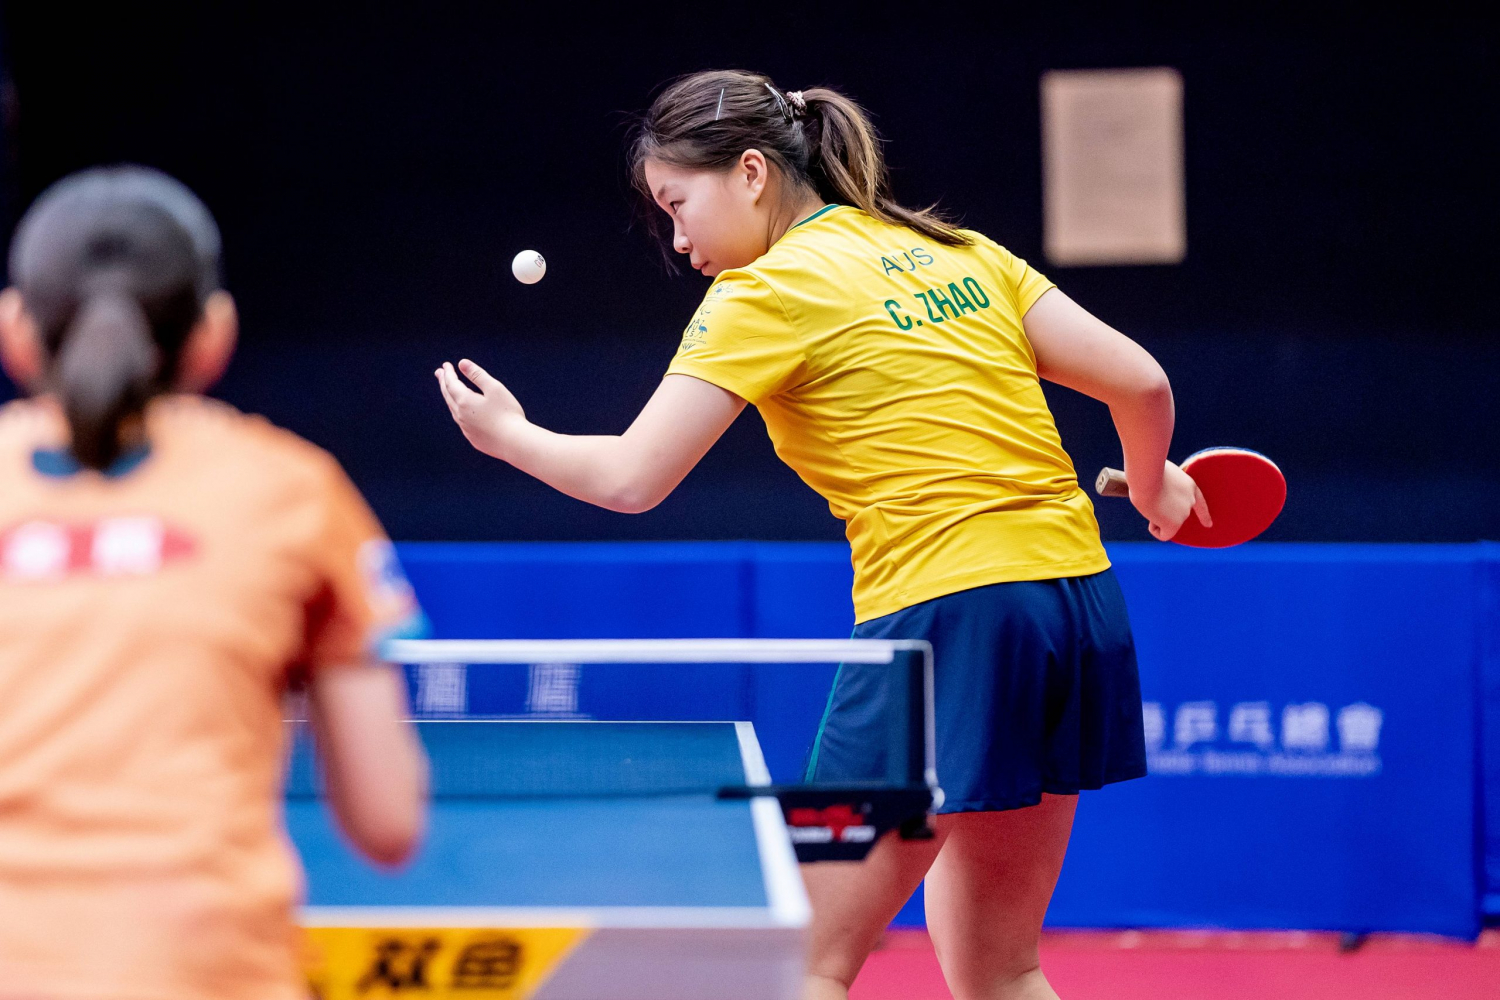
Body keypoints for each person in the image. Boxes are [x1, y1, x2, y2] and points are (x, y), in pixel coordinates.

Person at [435, 70, 1207, 1000]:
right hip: (1077, 606)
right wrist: (1155, 484)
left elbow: (633, 478)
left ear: (751, 172)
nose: (678, 241)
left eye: (678, 204)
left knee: (800, 963)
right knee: (1001, 967)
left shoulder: (765, 290)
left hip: (949, 617)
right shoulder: (958, 251)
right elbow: (1142, 383)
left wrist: (511, 437)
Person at [0, 166, 429, 1000]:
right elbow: (387, 823)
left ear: (17, 331)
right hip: (210, 972)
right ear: (213, 333)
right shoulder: (292, 492)